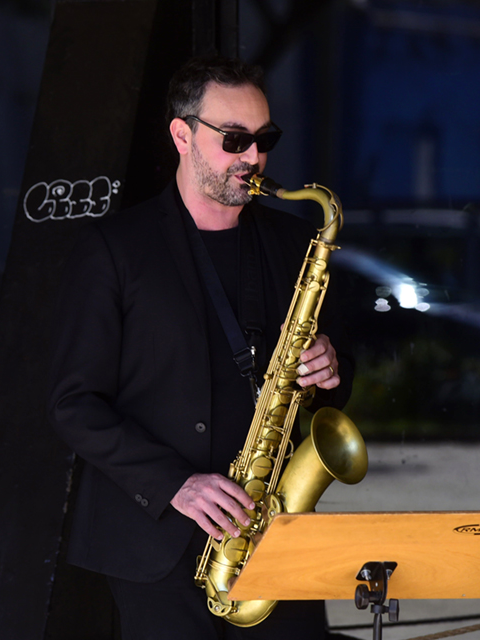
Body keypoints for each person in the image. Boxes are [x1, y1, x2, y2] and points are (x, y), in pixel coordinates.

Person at [48, 56, 353, 639]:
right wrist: (176, 484)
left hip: (273, 533)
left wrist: (330, 369)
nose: (254, 158)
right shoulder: (114, 249)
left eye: (265, 140)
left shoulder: (295, 244)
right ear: (181, 134)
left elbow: (337, 382)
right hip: (154, 540)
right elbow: (72, 403)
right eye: (235, 139)